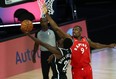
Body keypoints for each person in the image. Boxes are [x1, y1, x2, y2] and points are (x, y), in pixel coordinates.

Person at [42, 4, 116, 79]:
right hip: (77, 70)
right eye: (73, 30)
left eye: (76, 30)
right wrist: (47, 14)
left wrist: (108, 46)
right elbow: (57, 28)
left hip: (87, 68)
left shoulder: (86, 40)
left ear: (80, 32)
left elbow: (96, 45)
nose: (74, 31)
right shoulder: (71, 40)